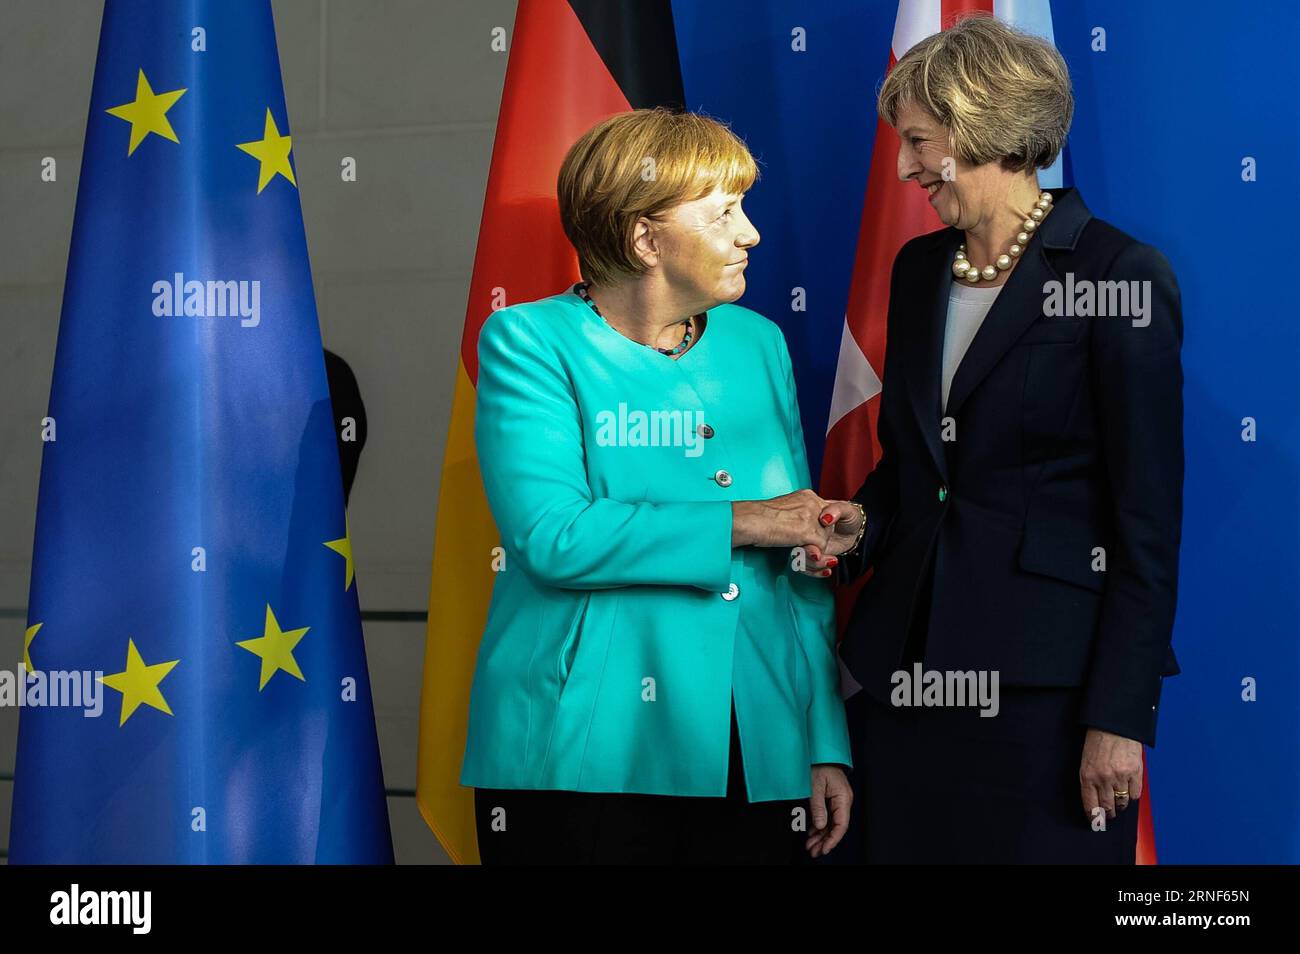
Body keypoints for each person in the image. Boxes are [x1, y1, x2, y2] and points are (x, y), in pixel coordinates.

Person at [813, 14, 1184, 863]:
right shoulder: (917, 271)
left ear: (988, 128)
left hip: (1047, 699)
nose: (905, 167)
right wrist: (841, 527)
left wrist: (1117, 718)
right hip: (905, 677)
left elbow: (1147, 522)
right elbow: (914, 470)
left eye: (920, 142)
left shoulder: (1119, 275)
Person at [460, 108, 853, 864]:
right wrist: (746, 520)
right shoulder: (527, 341)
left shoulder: (759, 341)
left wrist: (821, 738)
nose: (751, 235)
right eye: (726, 213)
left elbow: (800, 556)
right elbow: (553, 537)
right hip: (589, 749)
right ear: (645, 239)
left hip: (757, 741)